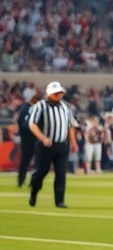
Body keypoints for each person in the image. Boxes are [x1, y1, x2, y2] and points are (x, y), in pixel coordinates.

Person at [27, 81, 78, 209]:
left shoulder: (66, 106)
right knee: (41, 172)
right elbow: (32, 124)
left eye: (60, 92)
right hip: (46, 145)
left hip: (62, 145)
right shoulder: (40, 106)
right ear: (50, 94)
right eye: (56, 93)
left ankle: (59, 200)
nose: (58, 95)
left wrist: (73, 142)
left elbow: (71, 125)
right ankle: (34, 191)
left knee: (61, 173)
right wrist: (43, 138)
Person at [16, 87, 40, 187]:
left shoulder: (28, 108)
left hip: (32, 137)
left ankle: (25, 180)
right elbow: (24, 123)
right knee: (28, 160)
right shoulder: (27, 108)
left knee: (33, 160)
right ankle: (22, 180)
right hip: (29, 138)